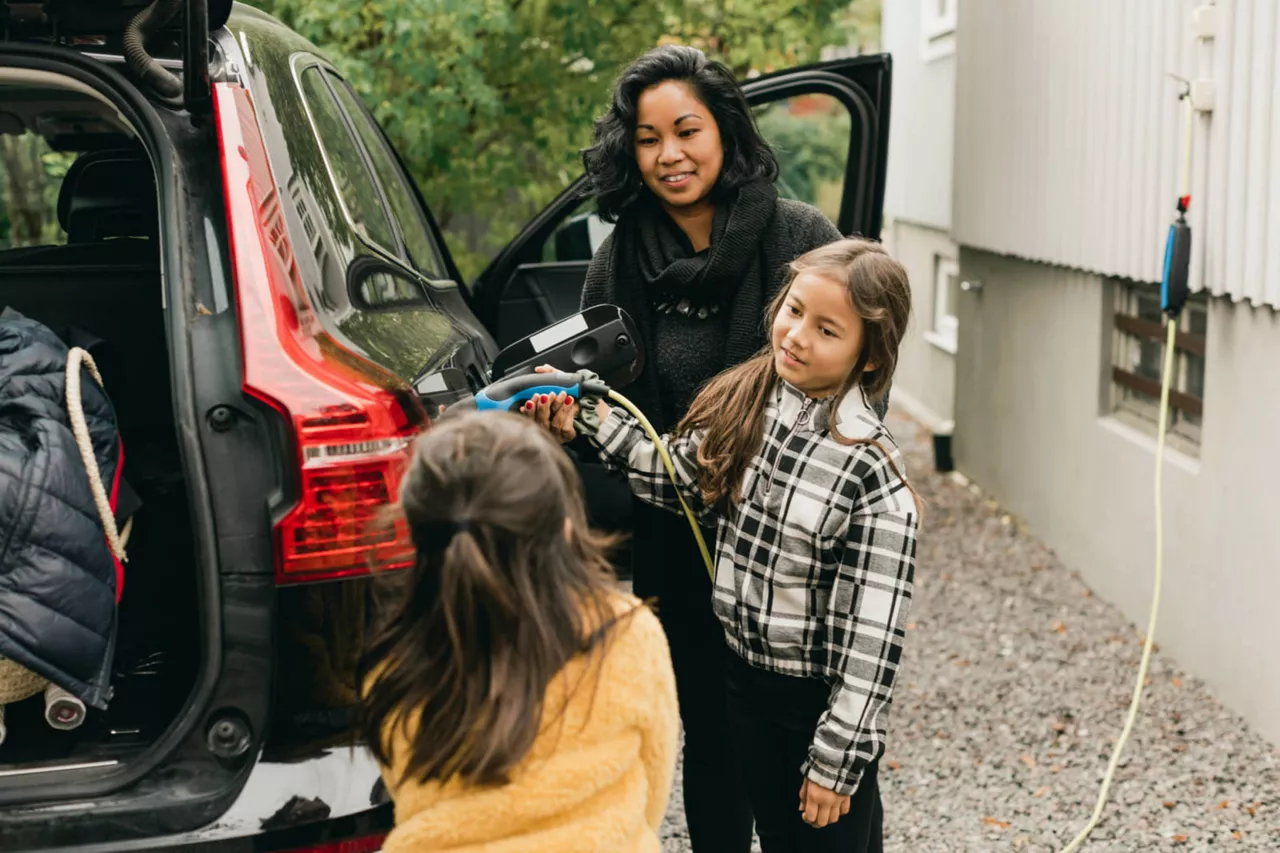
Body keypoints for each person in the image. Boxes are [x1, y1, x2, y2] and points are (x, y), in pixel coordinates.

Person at [565, 44, 888, 851]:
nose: (669, 154)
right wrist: (569, 418)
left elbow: (857, 374)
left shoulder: (799, 235)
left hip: (791, 549)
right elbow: (611, 411)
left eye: (687, 130)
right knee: (708, 736)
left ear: (725, 131)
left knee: (793, 744)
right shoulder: (618, 265)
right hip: (678, 537)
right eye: (647, 138)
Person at [529, 238, 917, 852]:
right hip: (742, 682)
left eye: (827, 330)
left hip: (809, 709)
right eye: (793, 310)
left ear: (869, 358)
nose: (796, 335)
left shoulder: (868, 471)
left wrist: (835, 763)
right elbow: (675, 478)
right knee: (773, 824)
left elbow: (871, 644)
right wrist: (583, 412)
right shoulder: (751, 404)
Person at [358, 413, 679, 853]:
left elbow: (405, 791)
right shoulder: (624, 631)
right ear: (565, 529)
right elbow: (655, 780)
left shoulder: (396, 657)